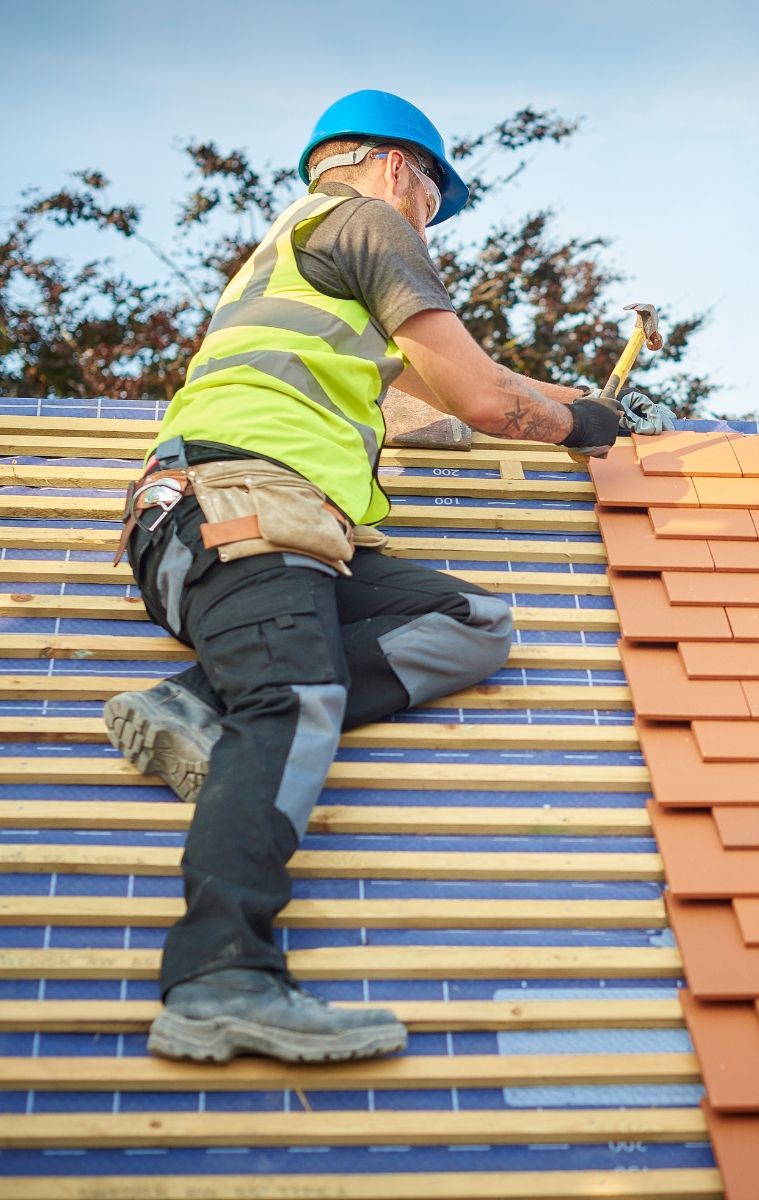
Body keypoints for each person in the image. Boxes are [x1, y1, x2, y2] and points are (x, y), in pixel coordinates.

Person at [105, 90, 629, 1065]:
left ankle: (200, 701)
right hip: (245, 504)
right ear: (398, 167)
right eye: (434, 192)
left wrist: (577, 401)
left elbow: (444, 394)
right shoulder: (369, 220)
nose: (429, 215)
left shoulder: (297, 262)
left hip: (233, 521)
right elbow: (482, 398)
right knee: (297, 701)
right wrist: (580, 430)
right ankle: (222, 976)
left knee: (468, 622)